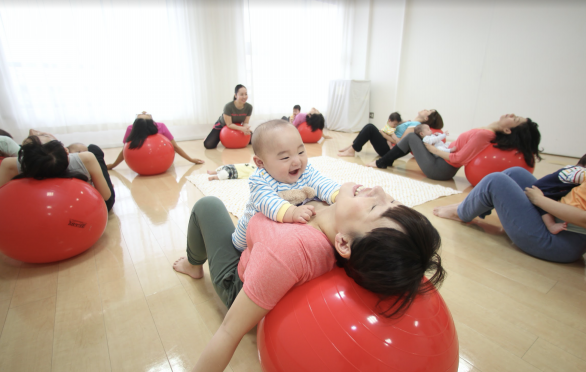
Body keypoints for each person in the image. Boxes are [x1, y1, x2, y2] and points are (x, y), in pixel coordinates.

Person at [172, 179, 445, 372]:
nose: (379, 189)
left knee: (207, 205)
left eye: (375, 208)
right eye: (392, 200)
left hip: (240, 284)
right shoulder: (335, 216)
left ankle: (193, 264)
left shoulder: (291, 250)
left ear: (344, 244)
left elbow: (230, 330)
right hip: (257, 252)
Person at [433, 166, 586, 263]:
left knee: (495, 181)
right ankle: (470, 206)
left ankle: (462, 212)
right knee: (515, 173)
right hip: (558, 222)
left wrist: (540, 200)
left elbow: (583, 219)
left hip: (562, 241)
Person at [231, 119, 340, 251]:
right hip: (248, 240)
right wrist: (292, 211)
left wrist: (337, 195)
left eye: (300, 152)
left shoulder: (305, 170)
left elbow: (320, 182)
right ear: (260, 162)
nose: (296, 161)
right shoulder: (259, 179)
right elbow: (268, 202)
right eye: (285, 158)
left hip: (282, 232)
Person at [368, 113, 541, 181]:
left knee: (413, 136)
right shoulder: (487, 132)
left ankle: (382, 162)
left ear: (507, 129)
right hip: (441, 164)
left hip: (440, 169)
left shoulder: (485, 135)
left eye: (515, 119)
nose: (512, 115)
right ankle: (385, 161)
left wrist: (433, 150)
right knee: (413, 137)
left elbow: (460, 158)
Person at [0, 136, 114, 210]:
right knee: (94, 149)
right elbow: (105, 196)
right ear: (66, 151)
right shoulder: (85, 158)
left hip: (36, 215)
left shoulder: (11, 164)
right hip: (86, 210)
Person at [107, 112, 204, 169]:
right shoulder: (131, 129)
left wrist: (191, 159)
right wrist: (113, 165)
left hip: (162, 162)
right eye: (142, 114)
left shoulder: (160, 126)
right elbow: (125, 151)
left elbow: (175, 147)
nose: (144, 112)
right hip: (142, 164)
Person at [337, 109, 443, 157]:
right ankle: (352, 146)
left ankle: (351, 150)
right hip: (388, 142)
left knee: (370, 127)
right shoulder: (412, 123)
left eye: (428, 111)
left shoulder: (415, 126)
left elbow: (401, 143)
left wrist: (384, 135)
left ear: (426, 118)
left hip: (389, 151)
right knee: (370, 127)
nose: (425, 109)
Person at [531, 154, 586, 234]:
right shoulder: (578, 171)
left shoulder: (572, 169)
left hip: (551, 188)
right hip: (546, 190)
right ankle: (551, 225)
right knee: (544, 210)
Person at [204, 85, 253, 149]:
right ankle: (213, 137)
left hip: (236, 125)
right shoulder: (228, 106)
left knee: (253, 140)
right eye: (241, 94)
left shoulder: (249, 107)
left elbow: (245, 122)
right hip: (222, 125)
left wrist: (246, 128)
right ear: (235, 95)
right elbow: (229, 124)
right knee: (209, 145)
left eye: (246, 94)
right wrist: (242, 129)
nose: (244, 97)